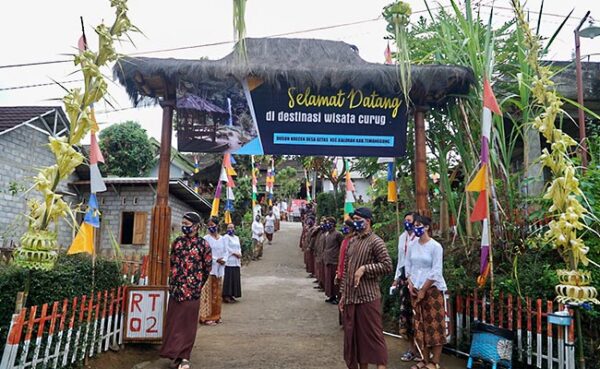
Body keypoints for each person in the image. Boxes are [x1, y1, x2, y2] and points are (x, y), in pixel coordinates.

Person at [339, 207, 392, 369]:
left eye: (358, 219)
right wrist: (343, 295)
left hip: (368, 297)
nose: (355, 223)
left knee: (373, 337)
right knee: (356, 339)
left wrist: (365, 269)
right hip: (351, 297)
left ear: (368, 221)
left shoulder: (376, 241)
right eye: (354, 220)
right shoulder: (353, 241)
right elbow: (347, 270)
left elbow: (387, 265)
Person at [160, 212, 212, 369]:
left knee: (188, 325)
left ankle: (184, 357)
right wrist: (174, 282)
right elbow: (172, 263)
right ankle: (173, 354)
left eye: (187, 224)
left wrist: (196, 284)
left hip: (192, 291)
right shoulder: (177, 242)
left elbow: (207, 268)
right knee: (174, 323)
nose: (184, 227)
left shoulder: (204, 245)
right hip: (176, 290)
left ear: (196, 226)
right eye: (182, 223)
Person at [405, 215, 448, 369]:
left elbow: (436, 270)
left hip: (432, 290)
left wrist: (424, 289)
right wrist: (410, 283)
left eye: (419, 225)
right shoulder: (412, 244)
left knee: (435, 324)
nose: (416, 228)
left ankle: (435, 361)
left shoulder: (435, 247)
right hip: (415, 289)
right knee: (419, 324)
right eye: (414, 225)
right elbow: (408, 265)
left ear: (427, 227)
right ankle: (424, 358)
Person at [393, 212, 421, 362]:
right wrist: (396, 278)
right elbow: (401, 260)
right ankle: (411, 349)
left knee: (420, 317)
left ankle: (422, 351)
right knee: (407, 316)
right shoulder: (402, 238)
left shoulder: (419, 238)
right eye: (405, 221)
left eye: (409, 221)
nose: (407, 223)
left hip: (419, 282)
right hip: (405, 280)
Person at [200, 217, 227, 325]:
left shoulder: (223, 239)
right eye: (209, 226)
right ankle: (206, 317)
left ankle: (216, 315)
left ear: (217, 225)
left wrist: (224, 260)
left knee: (217, 294)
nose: (211, 227)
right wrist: (216, 260)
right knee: (208, 294)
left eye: (213, 225)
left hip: (220, 270)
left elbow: (226, 251)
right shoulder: (205, 239)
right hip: (210, 269)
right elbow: (205, 254)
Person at [323, 216, 344, 304]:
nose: (327, 225)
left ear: (333, 224)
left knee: (334, 280)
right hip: (328, 259)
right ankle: (331, 295)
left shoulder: (338, 234)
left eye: (329, 223)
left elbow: (342, 246)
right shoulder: (327, 234)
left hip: (334, 260)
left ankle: (336, 297)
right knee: (328, 280)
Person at [222, 223, 242, 303]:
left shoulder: (236, 238)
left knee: (235, 278)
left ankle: (232, 295)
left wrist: (239, 254)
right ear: (227, 229)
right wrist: (234, 253)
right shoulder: (226, 237)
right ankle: (226, 295)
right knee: (229, 278)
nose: (231, 229)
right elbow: (226, 248)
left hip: (236, 261)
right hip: (229, 260)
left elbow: (239, 247)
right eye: (229, 227)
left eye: (232, 227)